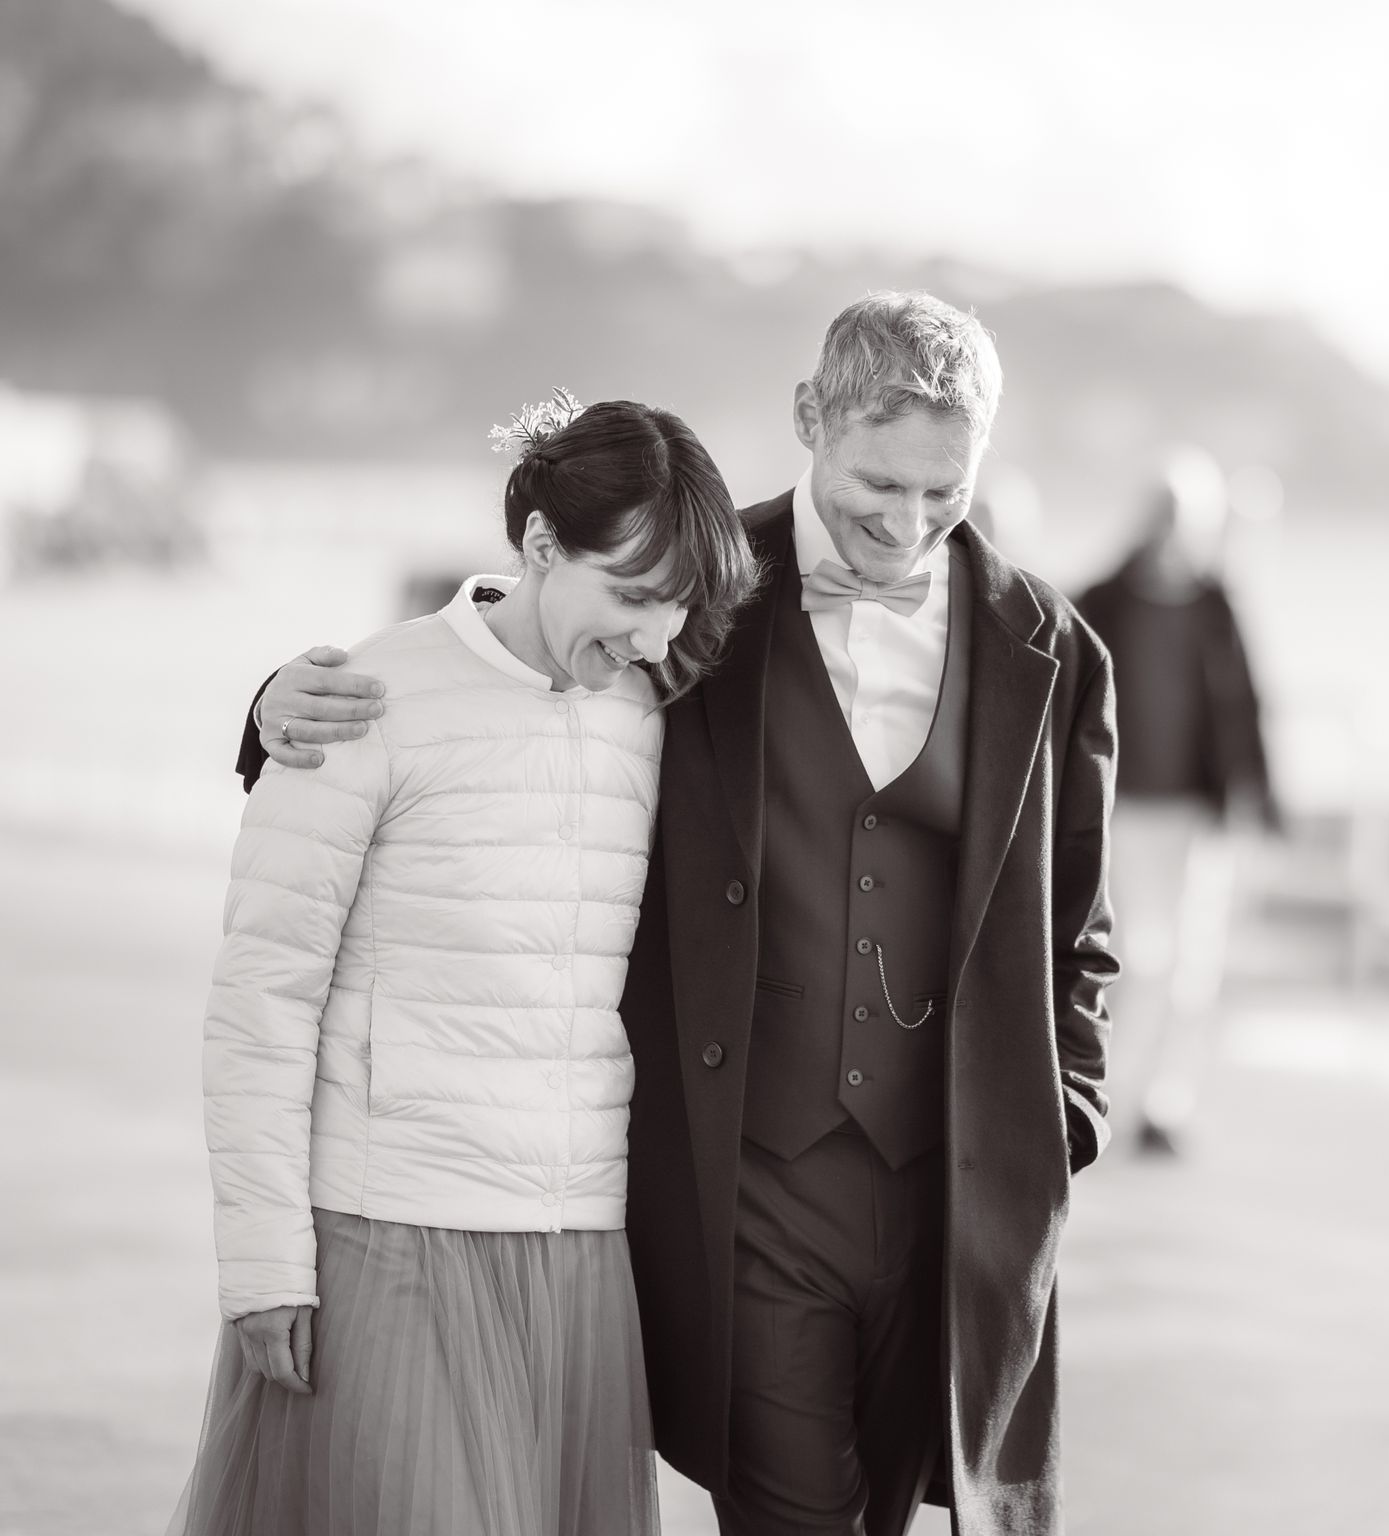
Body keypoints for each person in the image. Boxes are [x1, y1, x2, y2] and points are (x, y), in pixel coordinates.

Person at [239, 293, 1120, 1536]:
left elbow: (1079, 928)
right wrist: (279, 704)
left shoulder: (1056, 649)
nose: (908, 525)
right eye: (880, 482)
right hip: (750, 1180)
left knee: (912, 1508)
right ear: (809, 417)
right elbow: (522, 661)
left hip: (958, 1191)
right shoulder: (710, 589)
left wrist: (1065, 1117)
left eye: (946, 494)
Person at [173, 397, 758, 1536]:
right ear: (541, 546)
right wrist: (261, 1265)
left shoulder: (655, 711)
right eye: (633, 596)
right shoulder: (364, 704)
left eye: (678, 604)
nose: (653, 634)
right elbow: (261, 1001)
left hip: (579, 1256)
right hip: (386, 1242)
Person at [1076, 448, 1280, 1157]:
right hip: (1121, 808)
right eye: (1162, 514)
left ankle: (1164, 1103)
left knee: (1193, 964)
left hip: (1199, 812)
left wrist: (1259, 796)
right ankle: (1111, 1094)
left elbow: (1244, 705)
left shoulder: (1216, 601)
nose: (1171, 530)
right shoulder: (1100, 600)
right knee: (1135, 958)